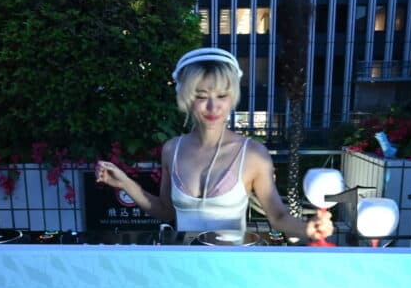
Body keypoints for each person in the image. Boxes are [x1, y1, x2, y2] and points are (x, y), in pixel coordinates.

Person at [95, 47, 333, 242]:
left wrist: (308, 228)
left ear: (232, 97)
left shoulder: (253, 154)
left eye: (221, 96)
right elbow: (166, 211)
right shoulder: (172, 149)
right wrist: (124, 183)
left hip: (229, 271)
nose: (213, 107)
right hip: (182, 267)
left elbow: (278, 216)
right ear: (187, 97)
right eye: (201, 96)